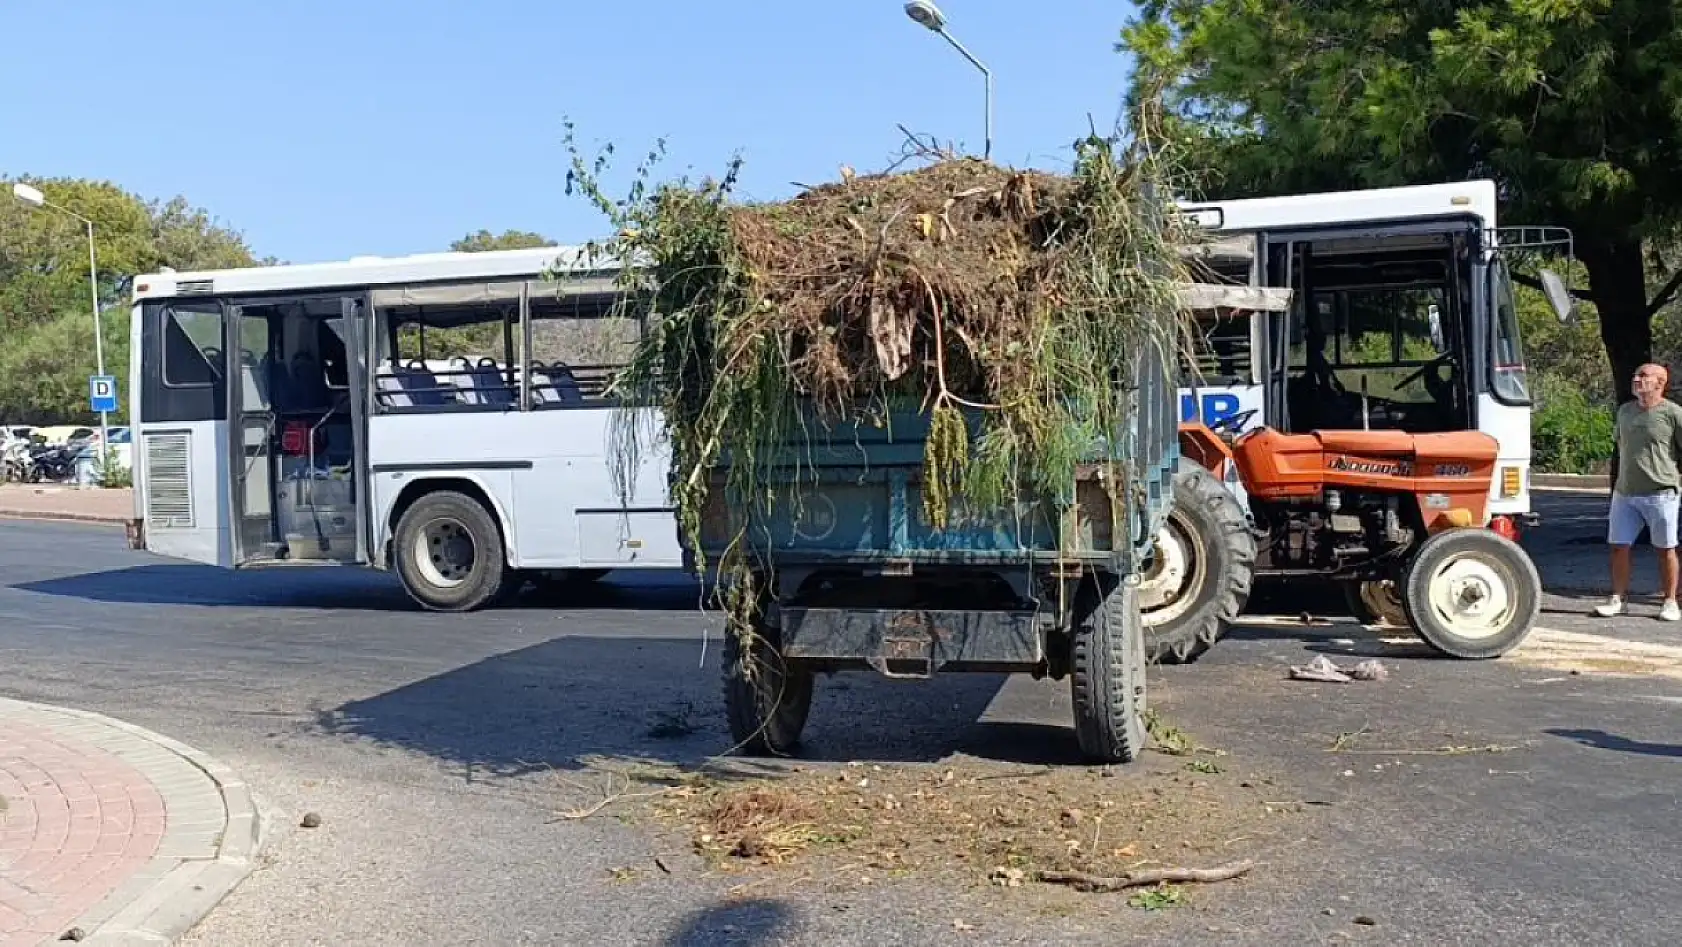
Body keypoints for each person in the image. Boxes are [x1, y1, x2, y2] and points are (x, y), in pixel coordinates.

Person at [1595, 363, 1682, 620]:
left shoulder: (1673, 414)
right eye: (1635, 375)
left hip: (1661, 493)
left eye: (1643, 376)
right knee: (1618, 546)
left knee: (1666, 548)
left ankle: (1669, 601)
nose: (1636, 379)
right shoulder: (1624, 412)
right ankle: (1617, 598)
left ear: (1660, 382)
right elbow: (1622, 447)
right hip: (1625, 493)